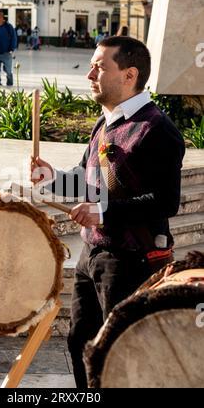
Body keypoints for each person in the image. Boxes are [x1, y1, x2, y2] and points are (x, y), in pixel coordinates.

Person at [31, 36, 185, 387]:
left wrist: (103, 212)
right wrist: (53, 178)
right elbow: (85, 182)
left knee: (120, 353)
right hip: (93, 256)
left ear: (129, 75)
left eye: (100, 67)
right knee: (80, 344)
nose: (89, 75)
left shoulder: (157, 129)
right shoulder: (106, 123)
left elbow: (165, 201)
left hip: (131, 260)